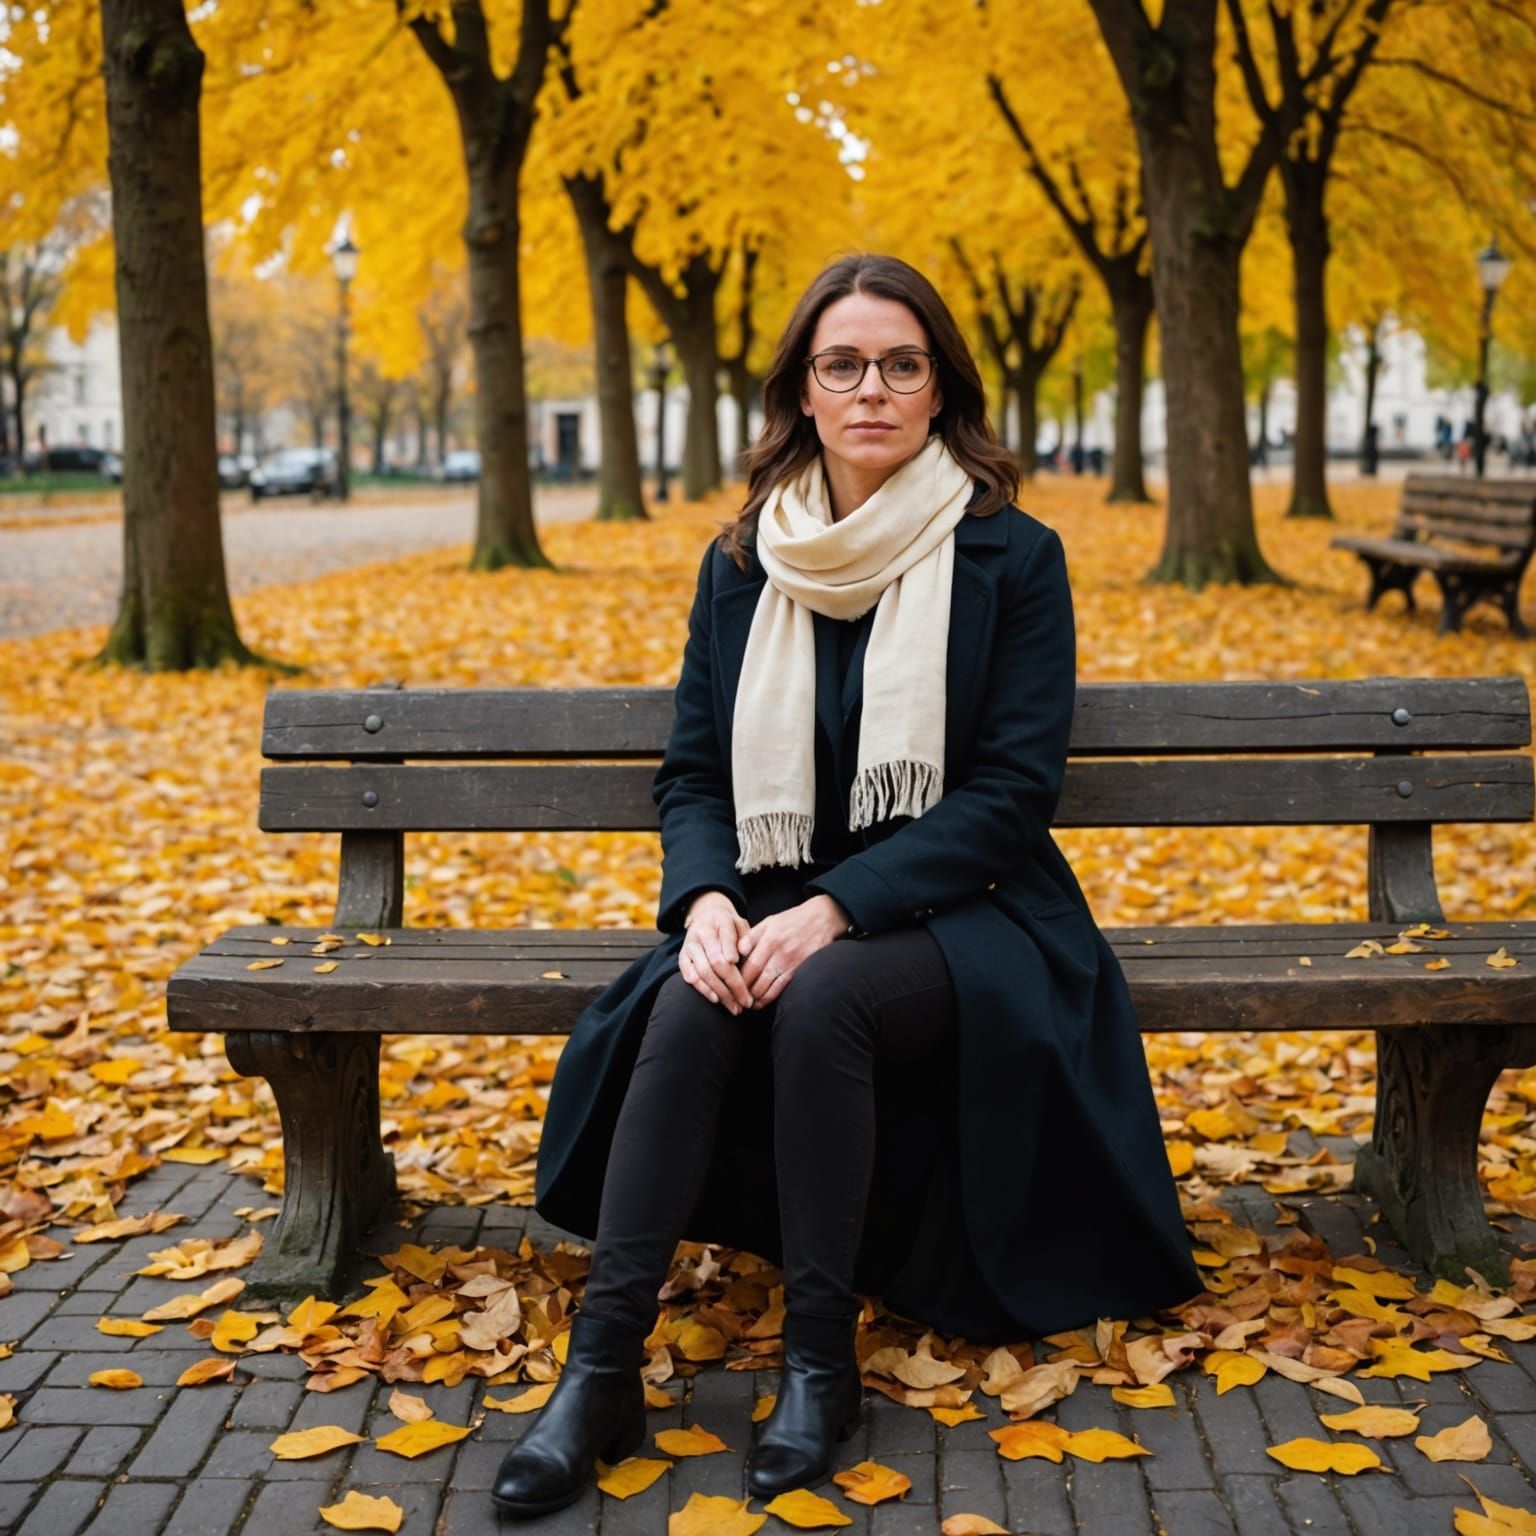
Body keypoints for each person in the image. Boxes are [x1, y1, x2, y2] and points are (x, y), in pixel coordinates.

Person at [494, 253, 1200, 1519]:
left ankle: (820, 1362)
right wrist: (707, 904)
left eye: (900, 363)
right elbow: (696, 774)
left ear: (939, 391)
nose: (871, 387)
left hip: (974, 910)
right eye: (843, 364)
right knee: (695, 999)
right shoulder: (742, 562)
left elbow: (1008, 793)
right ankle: (598, 1370)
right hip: (768, 895)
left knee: (827, 998)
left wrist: (833, 909)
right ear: (803, 394)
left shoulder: (1011, 556)